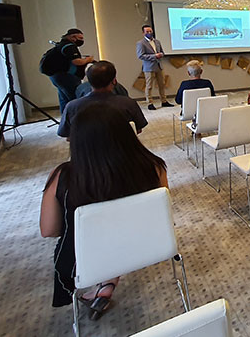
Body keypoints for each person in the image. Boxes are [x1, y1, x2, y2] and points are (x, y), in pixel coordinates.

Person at [41, 104, 168, 315]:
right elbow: (160, 213)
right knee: (117, 232)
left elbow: (49, 230)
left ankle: (104, 280)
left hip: (85, 258)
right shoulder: (154, 167)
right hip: (144, 247)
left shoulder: (62, 177)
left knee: (86, 236)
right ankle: (108, 281)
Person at [58, 61, 148, 137]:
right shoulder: (128, 104)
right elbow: (138, 130)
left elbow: (67, 136)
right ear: (114, 81)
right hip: (120, 150)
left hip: (87, 152)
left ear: (89, 81)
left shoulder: (71, 107)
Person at [47, 28, 94, 113]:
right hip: (66, 77)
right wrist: (88, 59)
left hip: (56, 76)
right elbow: (77, 61)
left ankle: (66, 119)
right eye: (80, 38)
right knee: (75, 100)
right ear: (73, 37)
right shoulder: (69, 46)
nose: (82, 40)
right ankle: (77, 118)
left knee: (64, 100)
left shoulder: (61, 45)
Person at [136, 25, 173, 110]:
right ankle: (150, 103)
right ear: (143, 33)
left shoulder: (157, 41)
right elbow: (140, 56)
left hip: (159, 66)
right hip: (149, 67)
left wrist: (161, 55)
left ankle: (164, 101)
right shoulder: (141, 43)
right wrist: (154, 56)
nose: (149, 33)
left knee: (162, 84)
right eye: (147, 32)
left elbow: (162, 52)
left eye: (150, 31)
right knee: (149, 86)